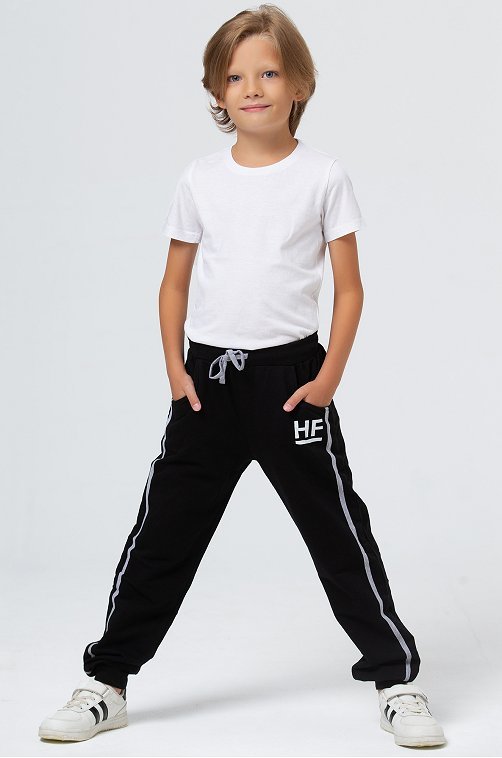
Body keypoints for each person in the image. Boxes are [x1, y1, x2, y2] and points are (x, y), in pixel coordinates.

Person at [38, 4, 446, 748]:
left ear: (299, 84)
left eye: (268, 72)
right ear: (217, 92)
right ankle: (107, 681)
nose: (252, 88)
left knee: (338, 532)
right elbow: (173, 282)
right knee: (164, 534)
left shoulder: (323, 176)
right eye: (235, 77)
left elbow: (350, 288)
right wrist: (175, 370)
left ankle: (397, 680)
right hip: (208, 385)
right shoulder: (201, 179)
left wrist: (326, 380)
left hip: (292, 383)